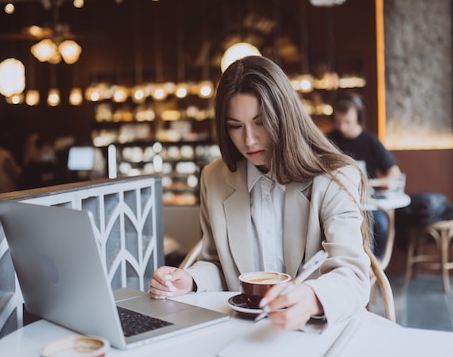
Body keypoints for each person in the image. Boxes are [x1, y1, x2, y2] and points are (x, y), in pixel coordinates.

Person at [150, 56, 372, 330]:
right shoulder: (214, 178)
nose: (249, 140)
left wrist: (313, 297)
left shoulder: (334, 178)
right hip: (242, 330)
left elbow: (353, 274)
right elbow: (218, 263)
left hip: (315, 329)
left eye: (261, 122)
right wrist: (191, 279)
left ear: (284, 117)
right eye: (235, 126)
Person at [327, 91, 402, 260]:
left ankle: (374, 270)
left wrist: (371, 183)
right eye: (338, 122)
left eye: (347, 122)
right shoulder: (328, 140)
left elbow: (394, 175)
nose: (342, 127)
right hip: (336, 203)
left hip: (367, 204)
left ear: (359, 118)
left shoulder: (371, 141)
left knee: (382, 226)